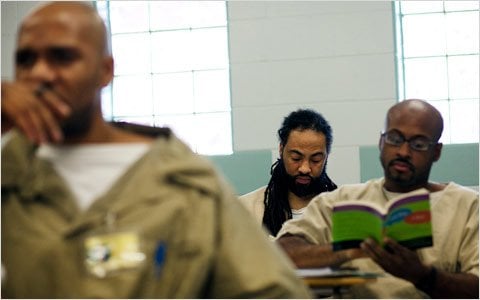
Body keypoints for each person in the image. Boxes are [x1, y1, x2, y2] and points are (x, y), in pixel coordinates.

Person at [0, 2, 312, 298]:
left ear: (105, 70)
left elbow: (271, 290)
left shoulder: (180, 181)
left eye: (62, 57)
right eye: (25, 60)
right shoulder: (11, 174)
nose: (39, 73)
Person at [276, 99, 479, 298]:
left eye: (418, 144)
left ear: (436, 152)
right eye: (395, 139)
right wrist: (348, 251)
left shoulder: (467, 206)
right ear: (381, 142)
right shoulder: (341, 200)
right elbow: (284, 252)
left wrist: (423, 276)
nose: (403, 152)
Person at [239, 109, 337, 236]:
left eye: (315, 160)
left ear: (326, 157)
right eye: (296, 158)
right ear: (281, 150)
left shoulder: (342, 210)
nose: (305, 168)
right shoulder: (246, 210)